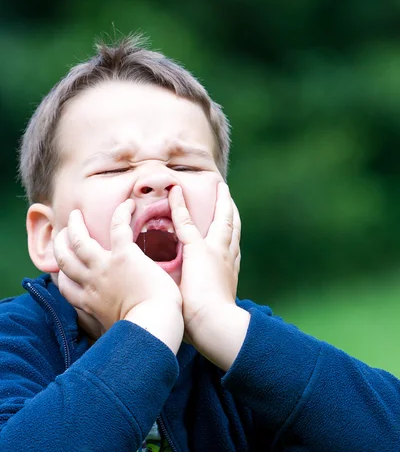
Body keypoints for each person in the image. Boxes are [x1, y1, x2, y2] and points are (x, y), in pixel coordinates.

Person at [0, 35, 399, 452]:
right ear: (49, 237)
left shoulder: (243, 347)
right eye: (114, 168)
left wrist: (215, 319)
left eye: (185, 165)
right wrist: (150, 321)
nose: (158, 178)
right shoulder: (16, 342)